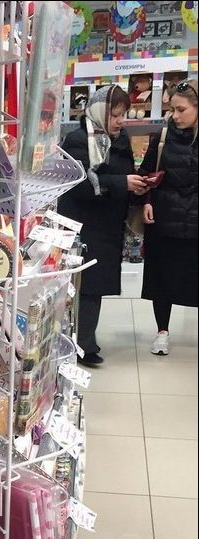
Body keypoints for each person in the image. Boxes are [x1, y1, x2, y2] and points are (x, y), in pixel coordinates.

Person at [58, 85, 148, 367]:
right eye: (115, 115)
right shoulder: (78, 140)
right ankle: (81, 345)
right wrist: (122, 183)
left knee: (94, 287)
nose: (120, 121)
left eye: (123, 115)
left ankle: (83, 342)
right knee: (85, 286)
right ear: (99, 112)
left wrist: (138, 184)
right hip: (84, 224)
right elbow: (80, 184)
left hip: (108, 224)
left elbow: (124, 173)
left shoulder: (119, 140)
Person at [140, 79, 198, 355]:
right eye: (172, 109)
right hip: (163, 219)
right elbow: (145, 173)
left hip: (194, 220)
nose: (175, 116)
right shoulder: (162, 137)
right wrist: (146, 200)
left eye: (181, 110)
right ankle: (162, 332)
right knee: (161, 280)